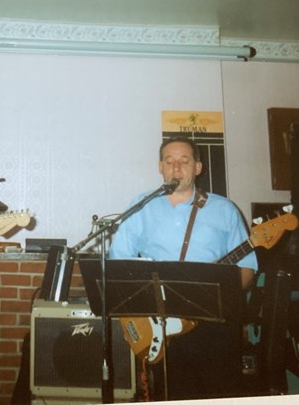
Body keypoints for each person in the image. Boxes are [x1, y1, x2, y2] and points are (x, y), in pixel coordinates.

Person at [108, 136, 257, 400]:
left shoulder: (225, 210)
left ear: (198, 167)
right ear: (160, 167)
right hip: (163, 328)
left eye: (184, 161)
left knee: (220, 394)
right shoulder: (141, 206)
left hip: (215, 325)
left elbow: (247, 269)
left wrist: (219, 295)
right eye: (169, 161)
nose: (176, 167)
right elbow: (120, 264)